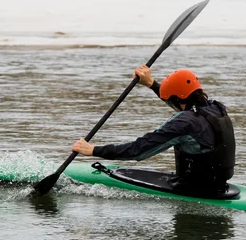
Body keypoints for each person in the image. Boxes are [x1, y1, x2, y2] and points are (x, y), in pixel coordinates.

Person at [72, 65, 236, 195]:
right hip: (219, 184)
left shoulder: (184, 123)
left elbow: (139, 150)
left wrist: (94, 150)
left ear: (177, 99)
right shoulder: (216, 107)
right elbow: (181, 102)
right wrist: (151, 84)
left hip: (195, 189)